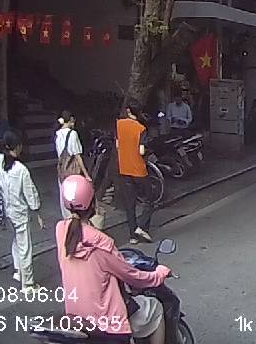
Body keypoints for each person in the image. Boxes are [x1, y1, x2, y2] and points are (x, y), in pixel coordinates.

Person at [56, 175, 169, 344]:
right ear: (93, 203)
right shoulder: (101, 243)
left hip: (76, 317)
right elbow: (133, 277)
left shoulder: (61, 231)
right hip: (108, 323)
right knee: (155, 308)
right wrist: (159, 274)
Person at [0, 130, 44, 291]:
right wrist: (38, 213)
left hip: (5, 211)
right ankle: (28, 284)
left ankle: (18, 271)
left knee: (16, 241)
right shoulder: (21, 169)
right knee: (25, 247)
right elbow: (31, 194)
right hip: (19, 212)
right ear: (18, 146)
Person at [116, 104, 154, 245]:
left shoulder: (119, 125)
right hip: (138, 169)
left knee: (130, 203)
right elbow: (141, 151)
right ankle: (141, 227)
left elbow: (117, 145)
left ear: (128, 111)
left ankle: (133, 235)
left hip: (124, 168)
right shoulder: (141, 128)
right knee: (149, 199)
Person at [55, 111, 90, 220]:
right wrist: (86, 174)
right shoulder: (73, 134)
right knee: (75, 197)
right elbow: (77, 156)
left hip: (62, 169)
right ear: (70, 120)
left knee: (64, 196)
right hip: (72, 170)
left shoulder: (57, 134)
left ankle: (66, 221)